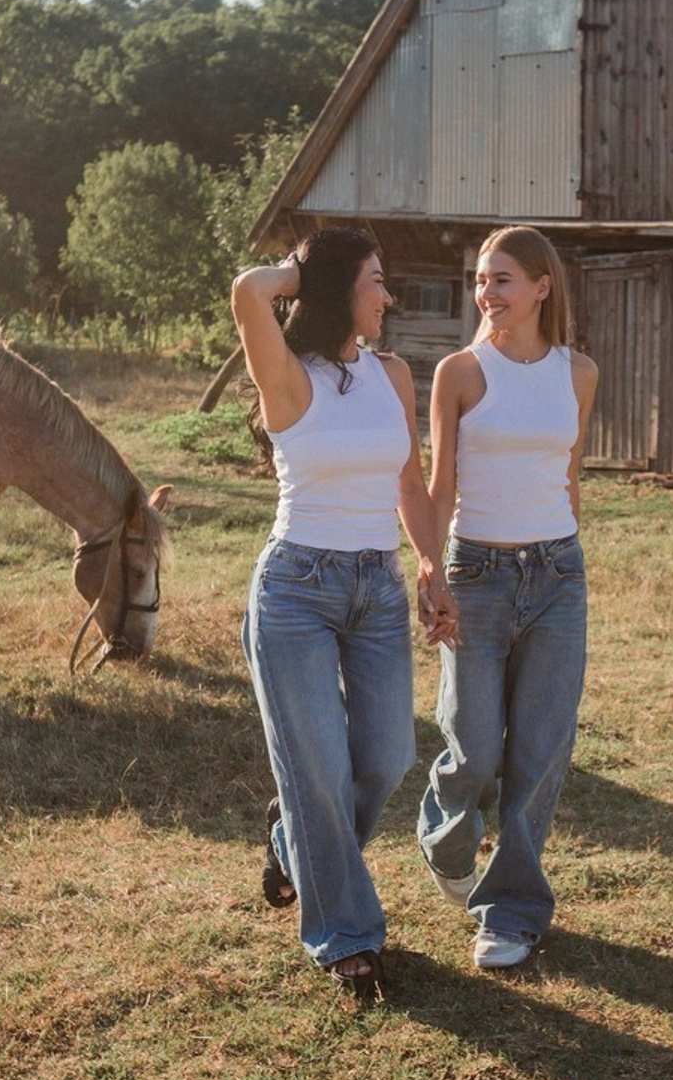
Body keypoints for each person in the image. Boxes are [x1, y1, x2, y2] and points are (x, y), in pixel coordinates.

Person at [233, 227, 456, 1001]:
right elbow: (246, 292)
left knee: (386, 756)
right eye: (375, 281)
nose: (389, 296)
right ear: (335, 290)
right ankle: (348, 939)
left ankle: (292, 841)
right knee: (320, 770)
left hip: (375, 587)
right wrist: (299, 270)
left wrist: (431, 567)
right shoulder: (289, 378)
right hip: (296, 588)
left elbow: (411, 487)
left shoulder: (393, 376)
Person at [417, 225, 598, 970]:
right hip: (477, 575)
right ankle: (447, 839)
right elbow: (440, 484)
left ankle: (512, 910)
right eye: (481, 281)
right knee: (474, 743)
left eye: (501, 280)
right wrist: (430, 568)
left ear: (540, 288)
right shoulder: (459, 372)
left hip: (557, 574)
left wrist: (559, 553)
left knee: (541, 751)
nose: (486, 294)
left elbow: (569, 476)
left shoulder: (578, 372)